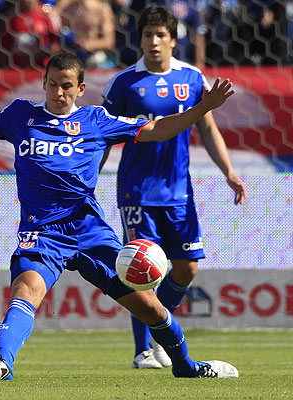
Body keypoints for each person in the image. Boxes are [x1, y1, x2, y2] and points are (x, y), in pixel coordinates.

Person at [0, 52, 239, 380]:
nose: (58, 92)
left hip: (89, 230)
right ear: (44, 83)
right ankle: (2, 361)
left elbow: (156, 130)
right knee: (25, 291)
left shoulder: (97, 120)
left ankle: (186, 366)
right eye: (52, 84)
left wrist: (202, 108)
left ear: (80, 88)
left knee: (150, 307)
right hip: (42, 231)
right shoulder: (20, 115)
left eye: (66, 86)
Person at [100, 5, 246, 369]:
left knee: (186, 270)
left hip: (179, 191)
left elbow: (208, 129)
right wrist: (87, 182)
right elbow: (103, 139)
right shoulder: (123, 83)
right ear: (140, 39)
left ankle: (159, 333)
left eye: (160, 35)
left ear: (172, 40)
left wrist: (228, 170)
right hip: (137, 190)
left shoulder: (192, 78)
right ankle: (143, 351)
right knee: (138, 270)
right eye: (147, 35)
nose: (153, 42)